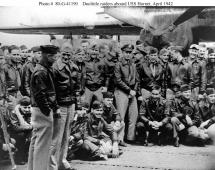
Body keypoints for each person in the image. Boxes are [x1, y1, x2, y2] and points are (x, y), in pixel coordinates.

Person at [28, 45, 60, 170]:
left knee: (36, 141)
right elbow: (40, 94)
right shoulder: (41, 71)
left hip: (39, 110)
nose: (56, 59)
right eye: (55, 57)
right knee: (42, 145)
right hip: (42, 110)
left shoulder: (42, 69)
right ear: (48, 56)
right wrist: (48, 111)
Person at [51, 46, 77, 170]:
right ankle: (53, 164)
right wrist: (55, 106)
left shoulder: (73, 66)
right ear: (60, 54)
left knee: (66, 134)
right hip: (60, 104)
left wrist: (76, 104)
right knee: (57, 136)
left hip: (70, 104)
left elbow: (76, 86)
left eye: (69, 54)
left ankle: (62, 161)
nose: (66, 57)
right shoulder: (55, 67)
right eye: (64, 54)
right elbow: (52, 90)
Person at [114, 44, 141, 144]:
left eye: (130, 53)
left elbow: (137, 79)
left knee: (134, 115)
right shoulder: (118, 64)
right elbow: (118, 80)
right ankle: (119, 139)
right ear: (123, 52)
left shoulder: (133, 64)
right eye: (126, 52)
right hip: (121, 91)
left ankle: (130, 138)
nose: (128, 55)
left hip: (132, 93)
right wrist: (129, 91)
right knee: (121, 116)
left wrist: (133, 91)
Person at [8, 96, 32, 164]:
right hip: (15, 132)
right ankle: (19, 157)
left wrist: (30, 127)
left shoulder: (31, 111)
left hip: (26, 130)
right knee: (21, 136)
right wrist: (30, 127)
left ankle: (26, 155)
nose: (27, 109)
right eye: (25, 107)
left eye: (29, 107)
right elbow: (15, 128)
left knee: (32, 135)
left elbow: (32, 122)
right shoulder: (14, 113)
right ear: (20, 106)